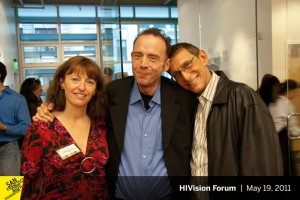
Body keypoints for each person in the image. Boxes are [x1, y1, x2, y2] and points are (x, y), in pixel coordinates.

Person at [33, 28, 196, 199]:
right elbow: (77, 106)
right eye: (137, 55)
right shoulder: (112, 94)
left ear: (166, 64)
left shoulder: (184, 99)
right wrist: (48, 107)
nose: (143, 64)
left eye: (153, 57)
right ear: (61, 82)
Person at [168, 43, 283, 177]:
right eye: (176, 74)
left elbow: (262, 164)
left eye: (187, 65)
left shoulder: (242, 97)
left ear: (203, 57)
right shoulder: (191, 103)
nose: (186, 77)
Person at [21, 56, 109, 199]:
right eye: (75, 79)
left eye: (90, 82)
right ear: (62, 82)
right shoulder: (41, 127)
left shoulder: (101, 125)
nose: (82, 87)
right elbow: (25, 180)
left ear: (95, 90)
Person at [0, 61, 31, 175]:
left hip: (8, 150)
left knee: (10, 192)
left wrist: (5, 128)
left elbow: (27, 128)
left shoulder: (17, 99)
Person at [269, 79, 300, 175]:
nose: (296, 94)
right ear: (290, 91)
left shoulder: (273, 101)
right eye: (296, 92)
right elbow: (293, 129)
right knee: (287, 167)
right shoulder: (287, 104)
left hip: (271, 137)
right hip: (281, 139)